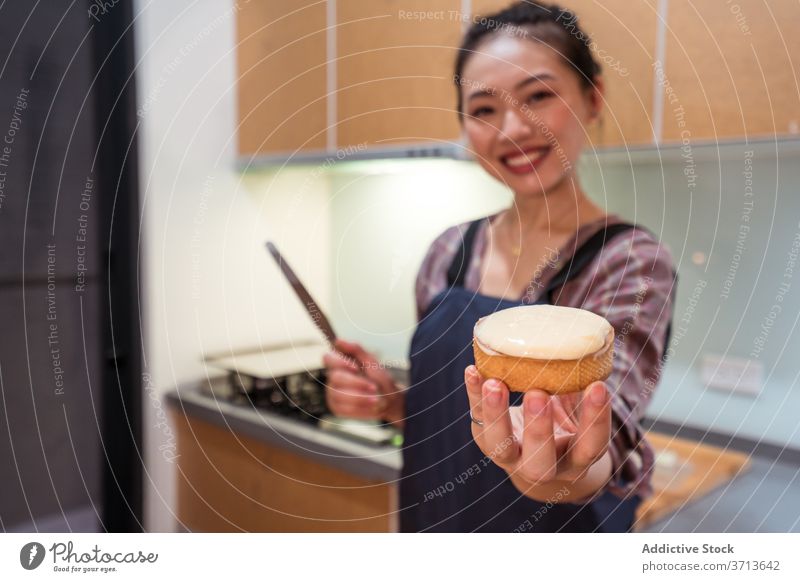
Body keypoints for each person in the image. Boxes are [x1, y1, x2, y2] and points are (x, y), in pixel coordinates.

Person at [323, 1, 675, 532]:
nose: (514, 127)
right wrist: (392, 402)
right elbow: (451, 422)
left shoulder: (628, 261)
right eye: (485, 109)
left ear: (592, 97)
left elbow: (606, 437)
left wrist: (556, 471)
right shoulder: (448, 252)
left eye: (539, 95)